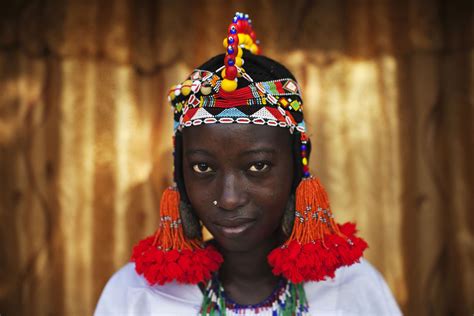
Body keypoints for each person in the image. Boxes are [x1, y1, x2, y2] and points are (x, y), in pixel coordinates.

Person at [94, 12, 402, 316]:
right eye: (203, 168)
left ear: (298, 165)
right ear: (180, 174)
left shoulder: (354, 289)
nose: (229, 198)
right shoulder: (137, 295)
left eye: (258, 167)